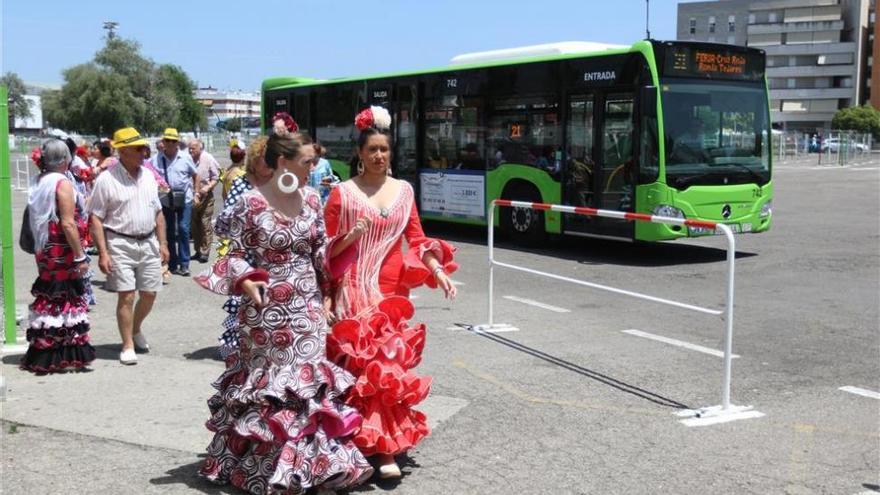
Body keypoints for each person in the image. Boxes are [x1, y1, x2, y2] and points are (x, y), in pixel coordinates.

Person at [194, 129, 373, 494]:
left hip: (305, 305)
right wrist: (244, 280)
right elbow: (232, 254)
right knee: (273, 388)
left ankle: (314, 468)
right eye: (307, 161)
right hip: (265, 312)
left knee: (307, 384)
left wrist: (347, 243)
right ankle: (269, 469)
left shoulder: (310, 199)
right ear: (282, 162)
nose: (313, 168)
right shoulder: (250, 203)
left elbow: (319, 253)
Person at [324, 106, 458, 479]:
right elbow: (325, 250)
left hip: (390, 296)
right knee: (352, 372)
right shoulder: (342, 194)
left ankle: (385, 450)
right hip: (352, 291)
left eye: (384, 150)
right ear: (360, 154)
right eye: (372, 150)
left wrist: (437, 270)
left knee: (385, 373)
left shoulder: (404, 191)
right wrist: (327, 295)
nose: (379, 156)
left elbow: (416, 238)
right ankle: (346, 444)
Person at [88, 127, 170, 365]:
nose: (144, 152)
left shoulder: (148, 176)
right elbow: (95, 218)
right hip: (119, 241)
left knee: (150, 293)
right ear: (122, 151)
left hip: (148, 242)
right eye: (138, 148)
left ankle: (135, 329)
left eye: (144, 148)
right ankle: (127, 344)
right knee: (126, 295)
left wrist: (163, 242)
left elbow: (158, 213)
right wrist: (103, 253)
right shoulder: (106, 179)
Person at [20, 139, 96, 373]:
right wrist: (80, 256)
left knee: (53, 298)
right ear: (65, 159)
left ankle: (48, 351)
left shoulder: (39, 181)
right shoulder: (61, 183)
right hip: (61, 249)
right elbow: (68, 223)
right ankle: (64, 351)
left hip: (44, 249)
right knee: (67, 297)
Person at [213, 136, 272, 358]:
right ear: (253, 161)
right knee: (246, 310)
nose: (269, 162)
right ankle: (241, 354)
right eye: (264, 158)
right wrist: (248, 206)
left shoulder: (282, 183)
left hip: (275, 258)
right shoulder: (242, 183)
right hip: (247, 258)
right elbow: (222, 224)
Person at [154, 128, 198, 276]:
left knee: (184, 229)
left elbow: (195, 175)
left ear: (178, 143)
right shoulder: (156, 159)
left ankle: (185, 263)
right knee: (169, 231)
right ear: (163, 142)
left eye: (174, 141)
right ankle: (172, 262)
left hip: (184, 198)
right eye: (168, 140)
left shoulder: (185, 157)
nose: (171, 143)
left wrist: (196, 193)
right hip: (166, 199)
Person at [189, 139, 220, 263]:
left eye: (193, 148)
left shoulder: (208, 158)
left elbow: (216, 177)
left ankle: (205, 252)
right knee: (194, 225)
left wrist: (208, 187)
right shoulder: (188, 159)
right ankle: (197, 250)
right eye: (189, 148)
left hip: (205, 195)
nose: (191, 151)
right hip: (192, 196)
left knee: (204, 223)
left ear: (200, 148)